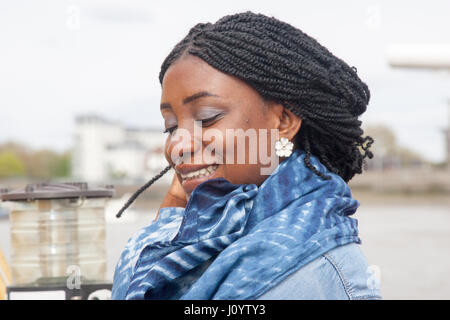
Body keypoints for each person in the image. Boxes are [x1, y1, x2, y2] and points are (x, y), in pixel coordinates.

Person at [111, 11, 381, 300]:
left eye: (208, 117)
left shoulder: (306, 272)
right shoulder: (208, 234)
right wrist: (173, 216)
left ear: (284, 122)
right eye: (171, 126)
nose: (177, 146)